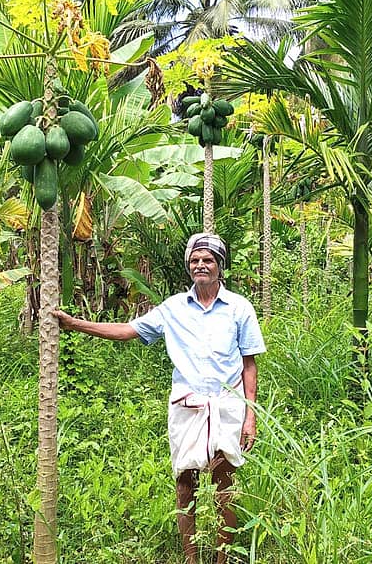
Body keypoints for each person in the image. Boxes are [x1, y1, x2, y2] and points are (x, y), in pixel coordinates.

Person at [54, 232, 266, 564]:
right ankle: (191, 559)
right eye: (195, 260)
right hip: (187, 407)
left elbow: (249, 363)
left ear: (220, 265)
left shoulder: (239, 308)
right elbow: (128, 330)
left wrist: (250, 415)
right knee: (185, 485)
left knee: (224, 486)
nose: (200, 265)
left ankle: (222, 559)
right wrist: (75, 324)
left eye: (208, 260)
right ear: (188, 266)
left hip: (227, 407)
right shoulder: (173, 308)